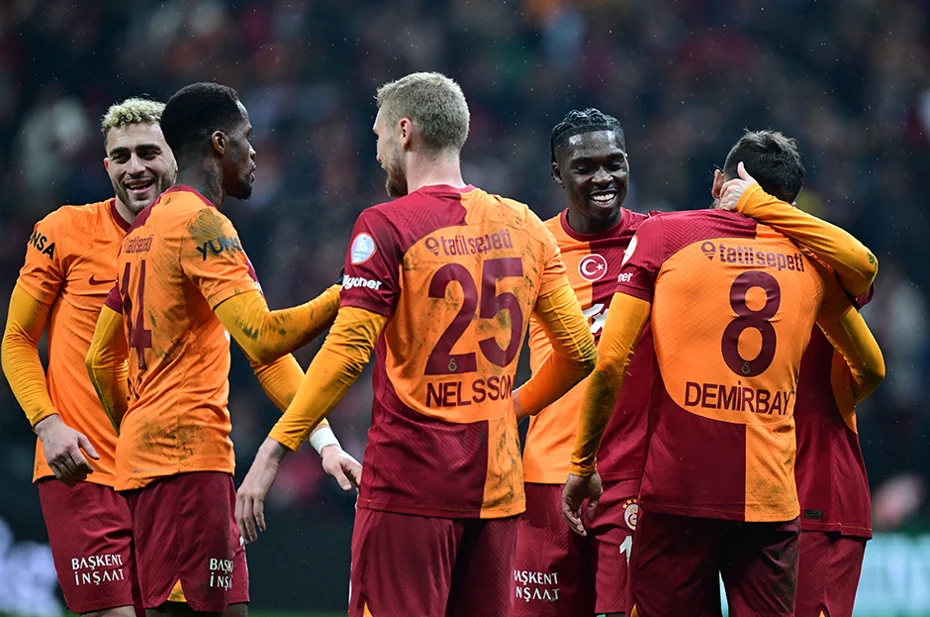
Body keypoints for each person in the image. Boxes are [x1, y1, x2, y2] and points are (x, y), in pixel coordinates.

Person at [234, 72, 598, 617]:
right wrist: (511, 406)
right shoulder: (526, 224)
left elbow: (348, 353)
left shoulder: (384, 225)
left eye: (379, 135)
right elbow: (579, 352)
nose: (377, 151)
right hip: (497, 490)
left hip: (409, 490)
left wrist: (274, 449)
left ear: (404, 132)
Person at [562, 130, 885, 617]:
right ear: (791, 204)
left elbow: (609, 362)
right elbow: (871, 357)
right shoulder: (814, 260)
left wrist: (583, 464)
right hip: (772, 494)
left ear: (718, 182)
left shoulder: (665, 235)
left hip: (680, 489)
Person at [84, 82, 359, 616]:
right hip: (186, 466)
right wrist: (347, 291)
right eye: (246, 137)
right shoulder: (202, 225)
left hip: (166, 465)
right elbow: (264, 335)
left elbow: (101, 359)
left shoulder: (143, 232)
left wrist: (323, 441)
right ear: (218, 143)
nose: (253, 152)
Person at [1, 97, 175, 617]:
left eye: (148, 152)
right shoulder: (63, 231)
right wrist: (48, 424)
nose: (134, 167)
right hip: (83, 469)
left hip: (169, 474)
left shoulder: (202, 239)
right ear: (106, 166)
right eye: (121, 156)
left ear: (174, 157)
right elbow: (16, 339)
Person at [717, 163, 879, 617]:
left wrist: (760, 206)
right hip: (750, 498)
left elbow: (865, 263)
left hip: (818, 495)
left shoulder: (820, 264)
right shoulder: (709, 262)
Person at [513, 108, 651, 617]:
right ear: (557, 173)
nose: (603, 178)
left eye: (614, 163)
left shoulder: (658, 240)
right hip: (546, 473)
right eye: (585, 167)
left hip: (631, 475)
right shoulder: (532, 244)